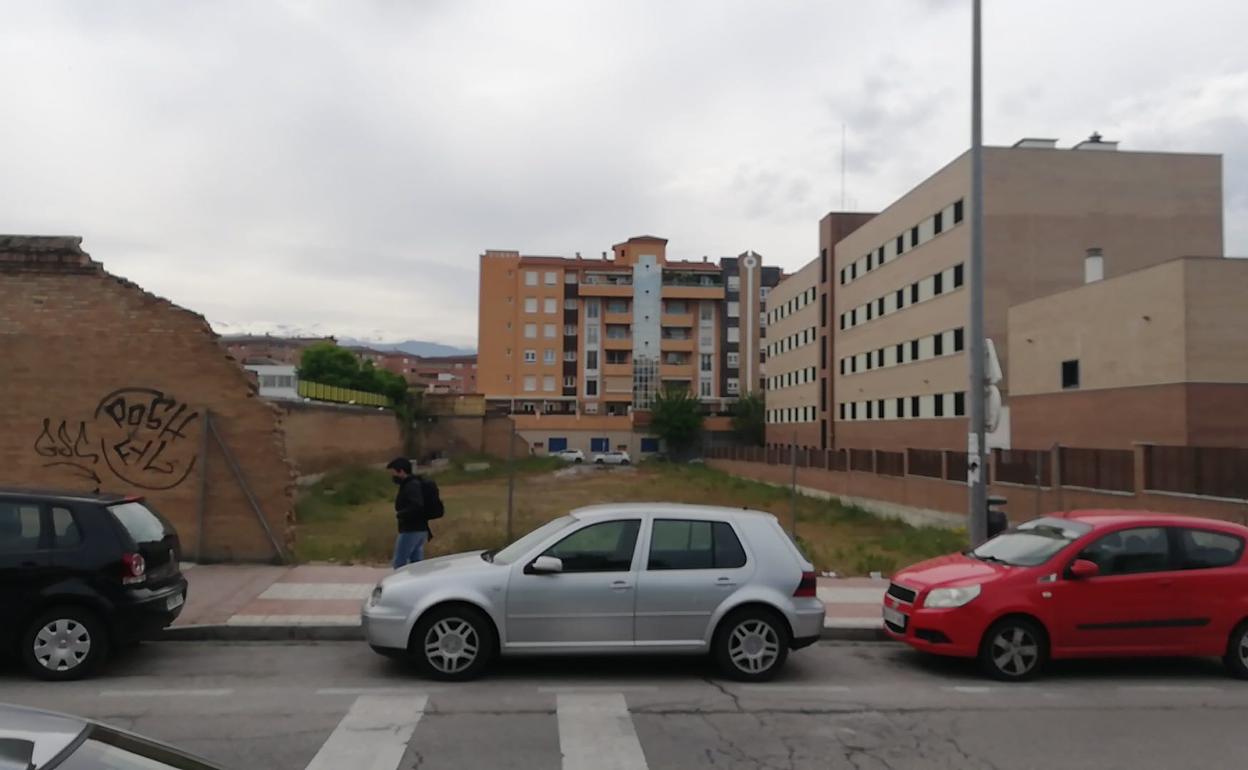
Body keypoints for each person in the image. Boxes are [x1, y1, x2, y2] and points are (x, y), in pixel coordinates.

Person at [387, 457, 431, 568]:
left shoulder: (411, 485)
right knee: (417, 565)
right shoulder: (413, 483)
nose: (393, 477)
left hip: (411, 530)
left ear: (401, 471)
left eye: (394, 473)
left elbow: (417, 505)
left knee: (399, 563)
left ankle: (398, 585)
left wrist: (401, 514)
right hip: (420, 529)